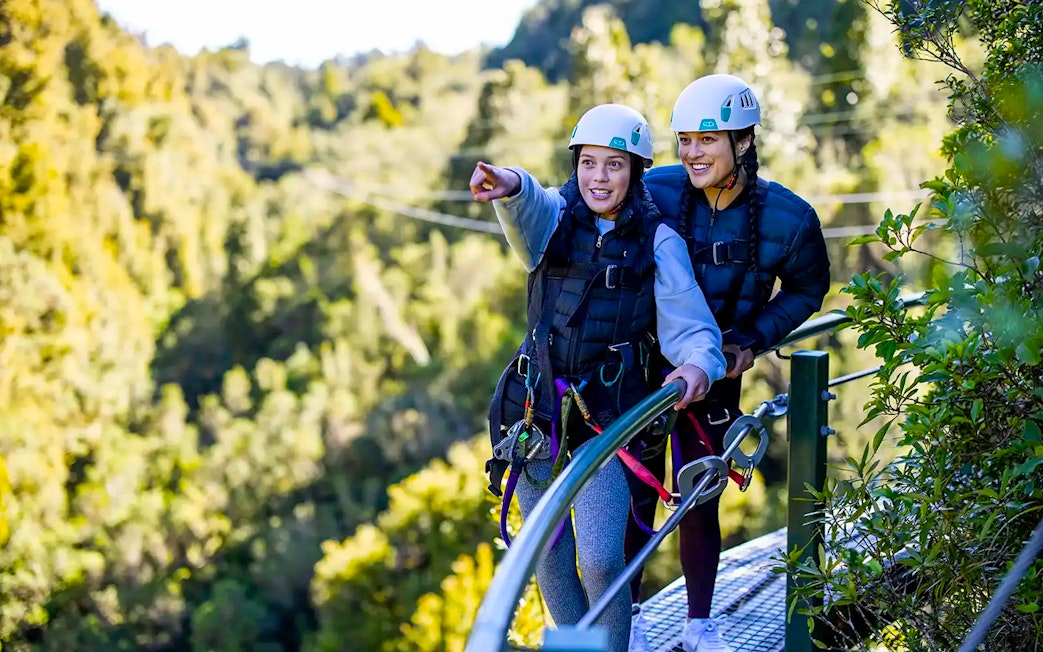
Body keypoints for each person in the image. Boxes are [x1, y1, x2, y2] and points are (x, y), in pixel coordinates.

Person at [472, 103, 727, 652]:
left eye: (614, 165)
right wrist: (509, 182)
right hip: (534, 410)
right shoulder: (554, 223)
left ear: (635, 171)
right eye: (588, 163)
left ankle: (611, 647)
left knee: (601, 554)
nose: (599, 178)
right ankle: (577, 646)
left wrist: (696, 366)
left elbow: (693, 328)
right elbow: (529, 204)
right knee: (548, 550)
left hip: (607, 417)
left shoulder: (658, 241)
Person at [624, 74, 831, 652]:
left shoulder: (788, 218)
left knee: (699, 492)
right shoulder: (655, 191)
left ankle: (699, 625)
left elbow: (808, 287)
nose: (692, 153)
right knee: (637, 493)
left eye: (707, 141)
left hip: (717, 375)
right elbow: (589, 197)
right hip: (645, 371)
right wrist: (517, 191)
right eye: (685, 140)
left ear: (742, 142)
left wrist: (751, 340)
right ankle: (632, 617)